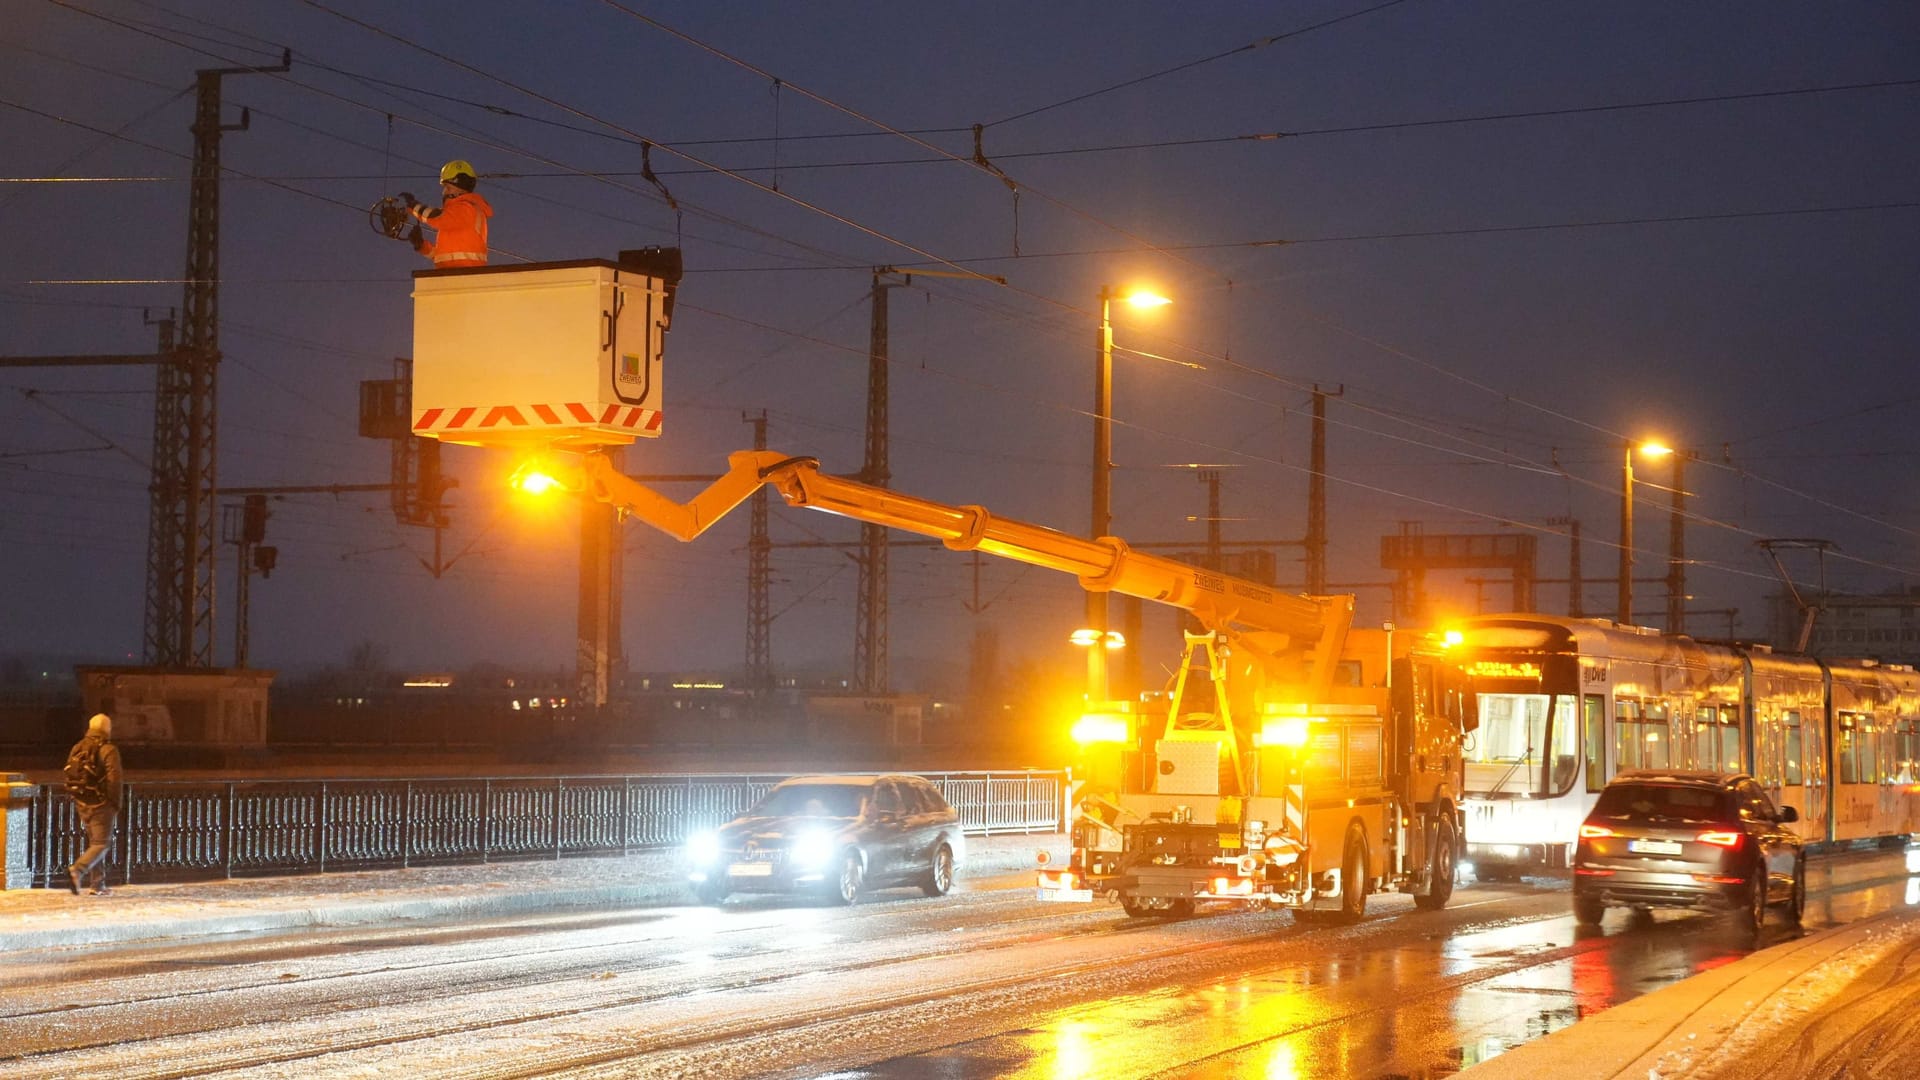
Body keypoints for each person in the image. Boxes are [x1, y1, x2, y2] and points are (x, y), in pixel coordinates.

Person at [64, 712, 123, 896]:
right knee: (102, 844)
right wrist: (114, 802)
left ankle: (97, 884)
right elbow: (114, 778)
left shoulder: (78, 746)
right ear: (106, 729)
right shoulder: (108, 749)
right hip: (101, 803)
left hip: (82, 800)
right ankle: (78, 870)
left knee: (94, 842)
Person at [408, 159, 493, 268]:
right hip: (457, 276)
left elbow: (438, 218)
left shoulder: (467, 208)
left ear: (461, 189)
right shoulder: (459, 213)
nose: (444, 192)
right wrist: (422, 246)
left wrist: (413, 207)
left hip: (465, 276)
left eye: (448, 188)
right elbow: (443, 257)